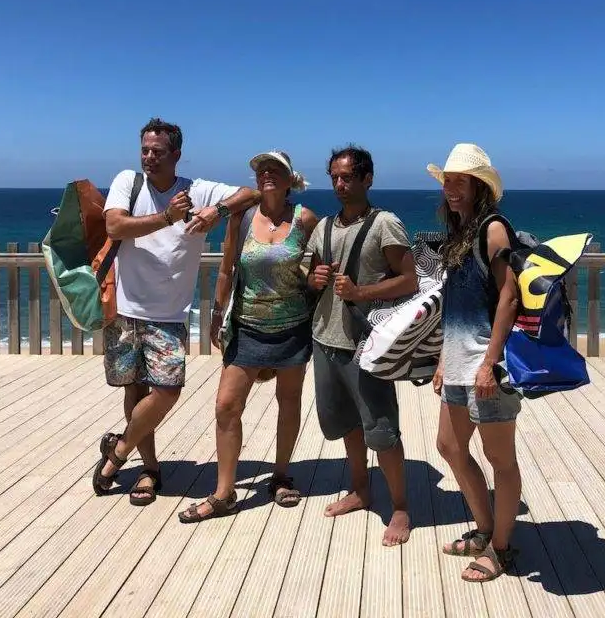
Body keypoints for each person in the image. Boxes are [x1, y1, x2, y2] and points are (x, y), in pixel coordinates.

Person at [91, 117, 259, 505]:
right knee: (135, 389)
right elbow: (115, 226)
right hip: (126, 308)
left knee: (167, 390)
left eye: (158, 152)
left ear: (176, 155)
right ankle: (149, 471)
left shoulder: (197, 190)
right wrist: (167, 217)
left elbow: (248, 193)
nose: (149, 157)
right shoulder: (127, 182)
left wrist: (215, 211)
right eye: (145, 150)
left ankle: (118, 451)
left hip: (169, 313)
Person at [178, 150, 318, 522]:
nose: (267, 174)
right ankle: (224, 493)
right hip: (247, 327)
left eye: (275, 170)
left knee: (288, 402)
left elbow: (319, 268)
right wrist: (216, 312)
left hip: (293, 327)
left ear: (290, 179)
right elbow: (226, 269)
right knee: (226, 405)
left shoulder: (305, 219)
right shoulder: (241, 217)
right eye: (262, 170)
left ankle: (282, 475)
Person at [307, 144, 419, 546]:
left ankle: (401, 506)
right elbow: (310, 278)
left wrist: (362, 291)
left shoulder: (385, 223)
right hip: (325, 339)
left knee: (382, 430)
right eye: (335, 177)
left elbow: (410, 280)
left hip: (366, 345)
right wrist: (313, 279)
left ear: (367, 179)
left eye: (348, 177)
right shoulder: (323, 227)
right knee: (346, 425)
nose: (340, 184)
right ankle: (360, 490)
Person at [428, 143, 522, 582]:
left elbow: (509, 295)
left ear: (479, 186)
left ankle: (501, 548)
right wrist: (445, 359)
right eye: (447, 180)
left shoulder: (493, 229)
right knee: (449, 445)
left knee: (499, 459)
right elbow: (455, 302)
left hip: (488, 365)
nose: (451, 188)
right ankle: (486, 529)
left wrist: (490, 362)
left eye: (460, 181)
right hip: (459, 362)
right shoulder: (458, 233)